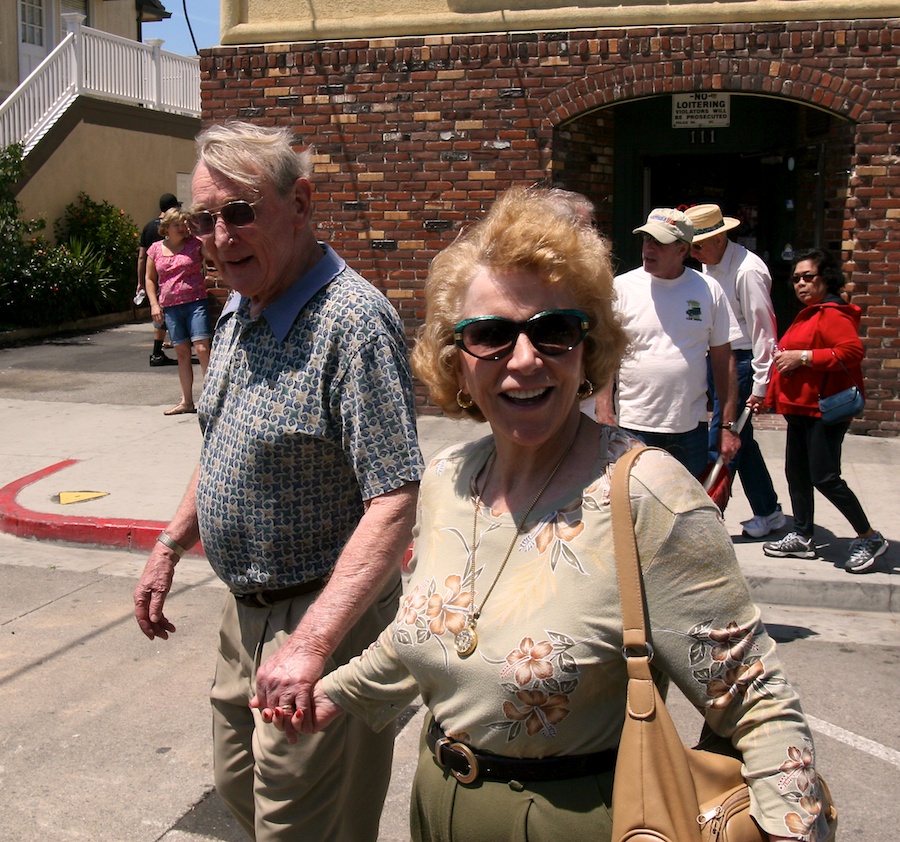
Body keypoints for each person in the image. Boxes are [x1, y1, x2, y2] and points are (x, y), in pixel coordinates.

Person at [287, 188, 830, 842]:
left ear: (586, 350)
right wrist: (334, 689)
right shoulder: (447, 480)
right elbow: (431, 634)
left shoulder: (649, 497)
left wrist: (793, 832)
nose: (524, 360)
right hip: (437, 812)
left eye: (553, 331)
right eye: (490, 335)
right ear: (456, 360)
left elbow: (760, 706)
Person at [132, 121, 424, 840]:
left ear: (301, 203)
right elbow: (223, 439)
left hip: (324, 625)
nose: (219, 237)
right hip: (244, 618)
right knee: (242, 793)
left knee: (303, 827)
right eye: (204, 220)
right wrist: (170, 545)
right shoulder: (240, 306)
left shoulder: (354, 325)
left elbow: (394, 499)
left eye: (239, 212)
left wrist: (316, 643)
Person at [763, 248, 888, 573]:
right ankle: (803, 535)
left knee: (825, 477)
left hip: (824, 411)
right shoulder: (810, 312)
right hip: (801, 410)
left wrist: (803, 357)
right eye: (795, 279)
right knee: (797, 474)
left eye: (808, 277)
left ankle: (869, 536)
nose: (800, 284)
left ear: (826, 278)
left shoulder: (832, 313)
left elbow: (851, 351)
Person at [595, 208, 742, 477]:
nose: (649, 248)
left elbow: (724, 360)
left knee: (686, 512)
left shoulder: (708, 290)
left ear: (682, 250)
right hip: (633, 425)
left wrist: (727, 427)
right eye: (646, 239)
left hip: (689, 429)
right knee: (632, 508)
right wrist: (604, 413)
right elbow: (607, 354)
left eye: (659, 243)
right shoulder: (621, 288)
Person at [685, 203, 785, 537]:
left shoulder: (748, 271)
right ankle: (769, 511)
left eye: (698, 245)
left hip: (741, 364)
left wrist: (760, 384)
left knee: (722, 441)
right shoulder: (710, 266)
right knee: (742, 441)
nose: (693, 252)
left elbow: (764, 332)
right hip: (721, 359)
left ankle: (709, 517)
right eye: (691, 245)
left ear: (720, 238)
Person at [145, 208, 211, 415]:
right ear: (167, 228)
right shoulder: (155, 249)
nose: (183, 228)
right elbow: (150, 279)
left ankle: (212, 398)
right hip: (171, 307)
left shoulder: (195, 245)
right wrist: (154, 304)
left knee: (201, 348)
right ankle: (187, 401)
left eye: (185, 224)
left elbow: (213, 258)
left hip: (195, 302)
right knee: (182, 353)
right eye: (177, 225)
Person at [137, 193, 179, 367]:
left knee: (159, 315)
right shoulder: (173, 226)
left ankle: (157, 351)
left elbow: (141, 257)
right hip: (172, 276)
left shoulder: (148, 227)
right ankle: (178, 348)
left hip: (153, 276)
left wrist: (140, 281)